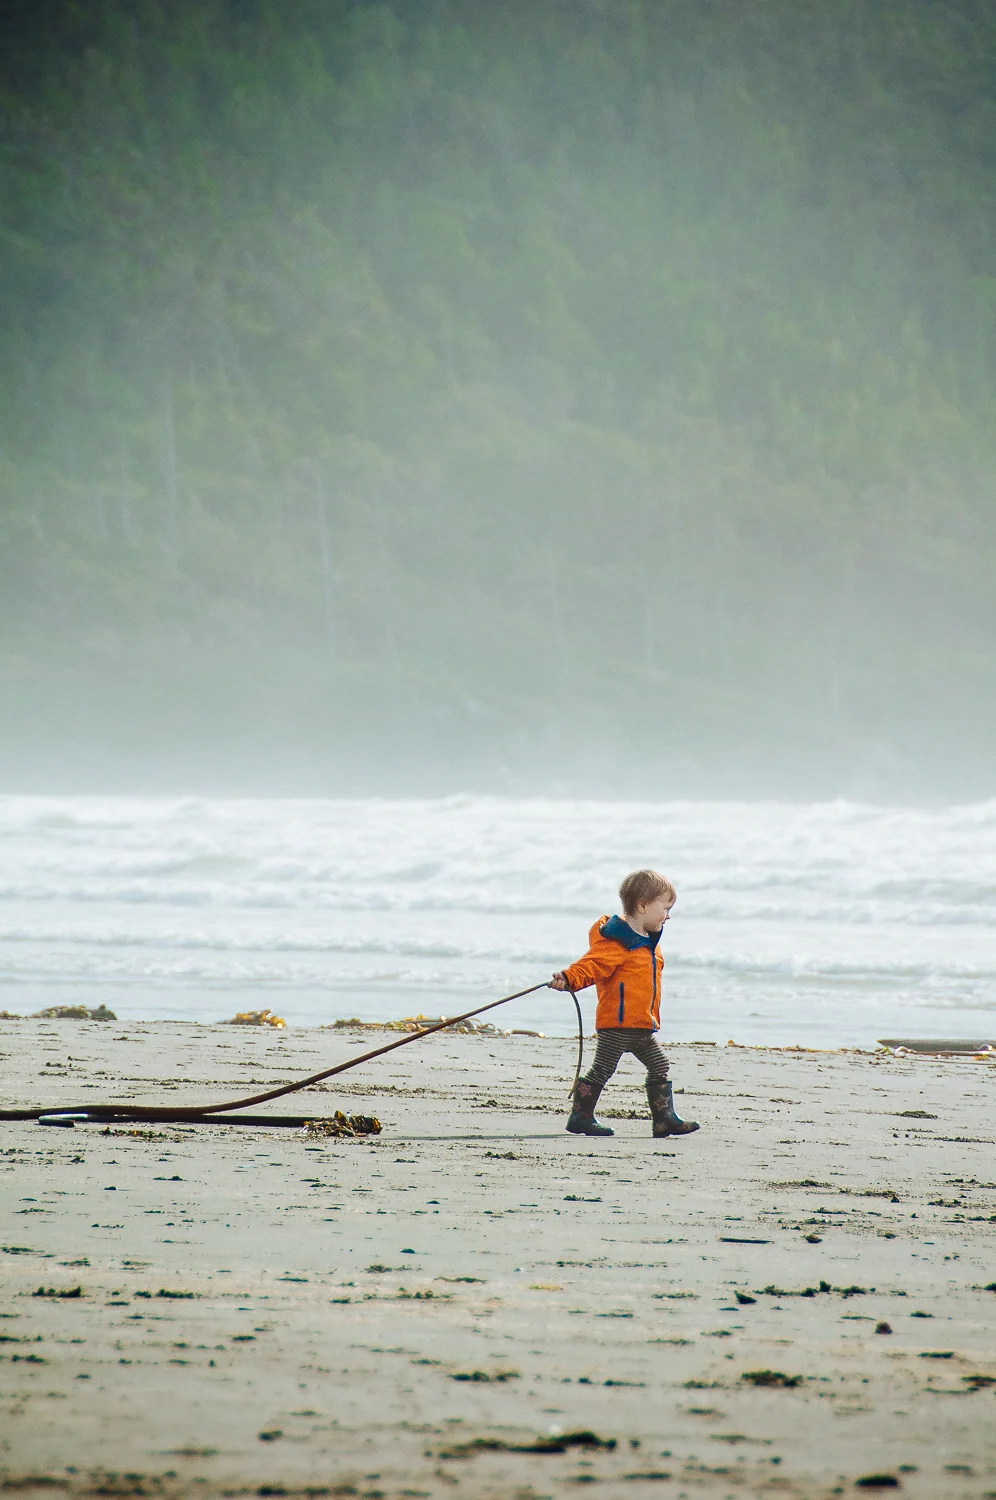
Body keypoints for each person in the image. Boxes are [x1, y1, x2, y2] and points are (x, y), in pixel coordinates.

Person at [550, 869, 699, 1139]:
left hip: (642, 1024)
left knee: (660, 1066)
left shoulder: (650, 943)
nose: (668, 915)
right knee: (602, 1070)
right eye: (665, 908)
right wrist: (568, 979)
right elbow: (591, 965)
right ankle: (580, 1117)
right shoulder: (616, 942)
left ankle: (664, 1119)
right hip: (617, 1025)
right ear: (642, 905)